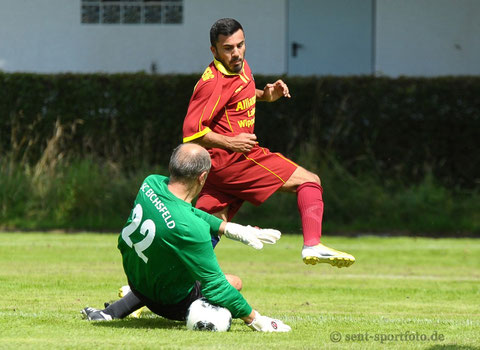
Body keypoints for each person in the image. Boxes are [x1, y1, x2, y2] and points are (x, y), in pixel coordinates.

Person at [182, 18, 355, 267]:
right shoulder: (212, 83)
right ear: (214, 51)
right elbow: (191, 133)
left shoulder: (237, 67)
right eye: (228, 48)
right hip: (234, 160)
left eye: (240, 45)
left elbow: (238, 93)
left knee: (205, 232)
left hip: (216, 169)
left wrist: (266, 96)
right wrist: (231, 143)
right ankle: (312, 244)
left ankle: (141, 291)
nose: (236, 53)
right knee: (309, 181)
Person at [82, 143, 291, 332]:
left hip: (136, 277)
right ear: (202, 177)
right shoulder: (190, 229)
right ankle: (203, 318)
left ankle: (114, 311)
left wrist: (229, 229)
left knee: (168, 260)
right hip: (168, 303)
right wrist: (257, 320)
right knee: (233, 282)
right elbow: (217, 287)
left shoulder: (150, 183)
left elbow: (185, 211)